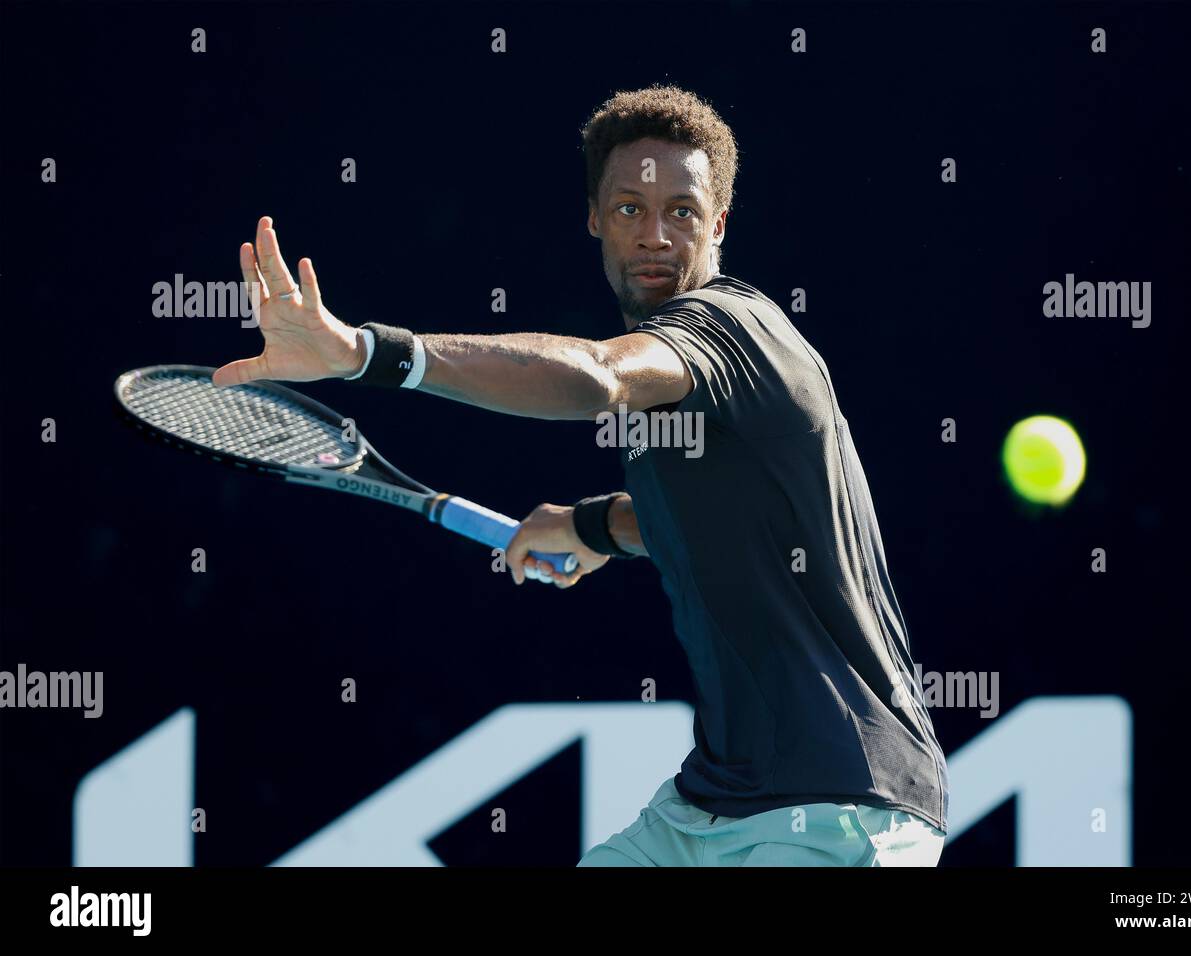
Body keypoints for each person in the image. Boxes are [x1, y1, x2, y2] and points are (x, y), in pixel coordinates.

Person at [213, 84, 948, 867]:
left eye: (684, 212)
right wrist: (594, 525)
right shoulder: (696, 384)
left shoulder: (730, 329)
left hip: (842, 804)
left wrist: (367, 354)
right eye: (630, 208)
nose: (656, 235)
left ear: (720, 224)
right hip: (708, 805)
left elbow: (599, 375)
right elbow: (730, 517)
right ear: (594, 218)